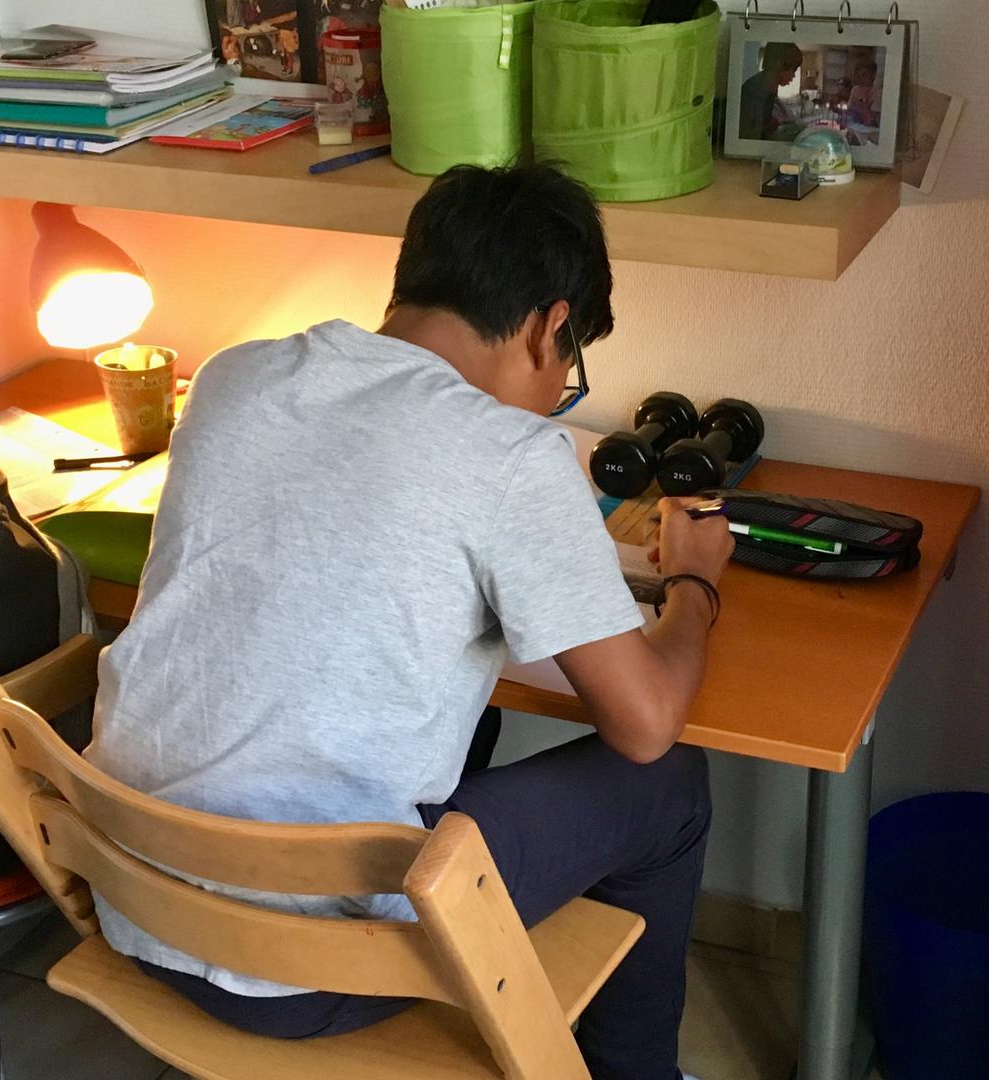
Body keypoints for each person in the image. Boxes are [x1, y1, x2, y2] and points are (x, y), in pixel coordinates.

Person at [86, 164, 733, 1080]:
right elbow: (645, 722)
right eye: (569, 365)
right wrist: (696, 586)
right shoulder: (509, 452)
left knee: (483, 715)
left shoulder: (234, 376)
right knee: (671, 783)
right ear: (551, 325)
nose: (557, 395)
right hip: (299, 971)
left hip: (136, 896)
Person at [739, 41, 803, 139]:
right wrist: (767, 126)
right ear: (779, 64)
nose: (793, 76)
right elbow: (749, 134)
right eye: (793, 70)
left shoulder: (771, 87)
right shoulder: (753, 90)